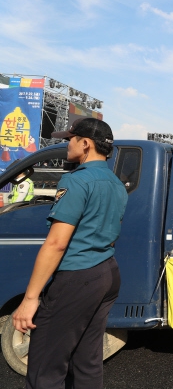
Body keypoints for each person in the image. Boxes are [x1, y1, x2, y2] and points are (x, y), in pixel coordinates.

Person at [12, 118, 128, 388]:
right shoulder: (115, 183)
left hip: (77, 276)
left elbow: (57, 244)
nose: (67, 144)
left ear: (85, 144)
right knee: (86, 363)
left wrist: (30, 299)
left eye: (70, 139)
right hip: (107, 272)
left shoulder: (77, 181)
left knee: (45, 368)